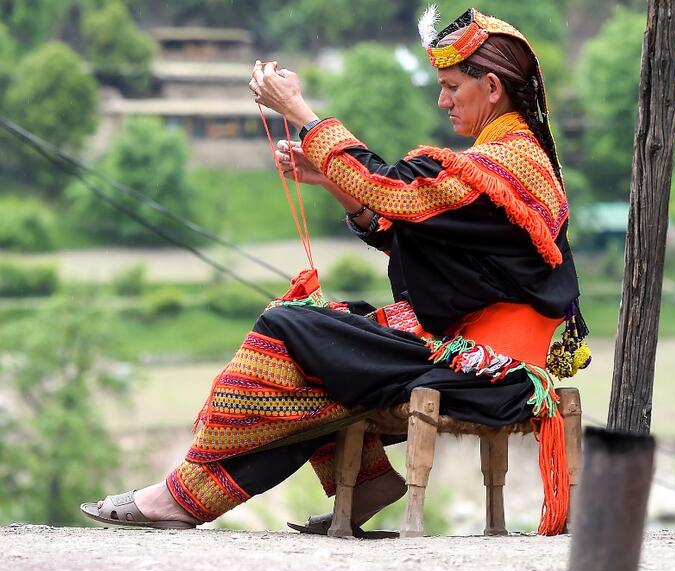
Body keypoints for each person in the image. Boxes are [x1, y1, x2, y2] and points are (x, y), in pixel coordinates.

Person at [80, 7, 589, 536]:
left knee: (290, 328)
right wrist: (333, 182)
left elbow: (390, 185)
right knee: (322, 341)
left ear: (490, 87)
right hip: (471, 356)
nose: (442, 101)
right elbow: (428, 247)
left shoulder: (503, 164)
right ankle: (328, 485)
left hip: (486, 370)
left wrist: (300, 110)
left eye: (450, 86)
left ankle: (182, 494)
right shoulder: (509, 161)